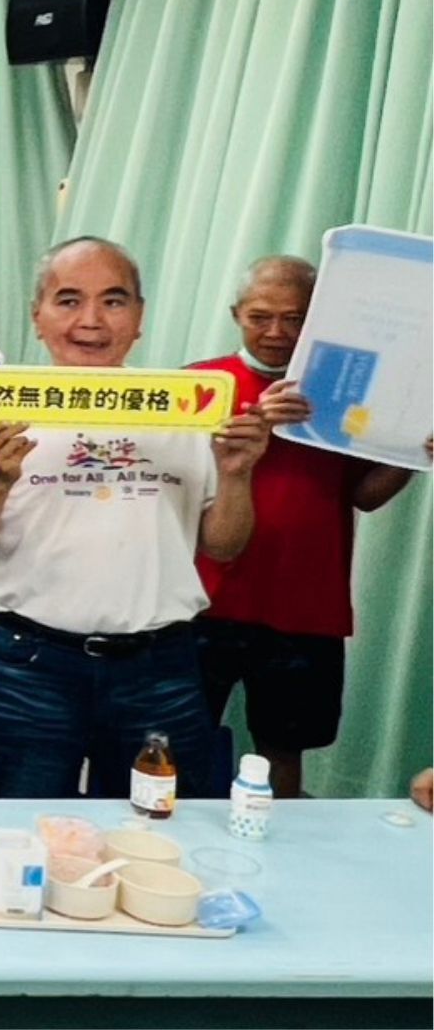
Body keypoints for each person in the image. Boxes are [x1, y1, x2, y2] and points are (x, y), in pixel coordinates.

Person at [0, 238, 268, 800]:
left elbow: (224, 545)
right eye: (68, 300)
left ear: (139, 316)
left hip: (160, 668)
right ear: (37, 316)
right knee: (5, 829)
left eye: (113, 301)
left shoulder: (186, 406)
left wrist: (236, 474)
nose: (90, 320)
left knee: (159, 831)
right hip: (26, 665)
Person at [190, 256, 428, 798]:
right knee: (181, 742)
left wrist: (414, 455)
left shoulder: (348, 392)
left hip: (305, 606)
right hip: (202, 602)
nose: (276, 331)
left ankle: (277, 845)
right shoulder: (202, 384)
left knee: (284, 751)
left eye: (294, 318)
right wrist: (252, 421)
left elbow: (365, 497)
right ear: (236, 314)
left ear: (319, 317)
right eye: (260, 316)